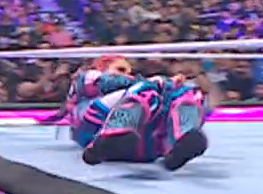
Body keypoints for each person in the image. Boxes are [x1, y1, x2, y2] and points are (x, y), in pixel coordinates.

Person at [63, 55, 211, 170]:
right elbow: (107, 82)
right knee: (147, 91)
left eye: (129, 71)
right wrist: (158, 81)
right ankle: (115, 132)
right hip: (96, 130)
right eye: (120, 69)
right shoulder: (88, 77)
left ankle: (182, 139)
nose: (127, 74)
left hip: (143, 144)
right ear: (102, 66)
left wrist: (172, 85)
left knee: (187, 93)